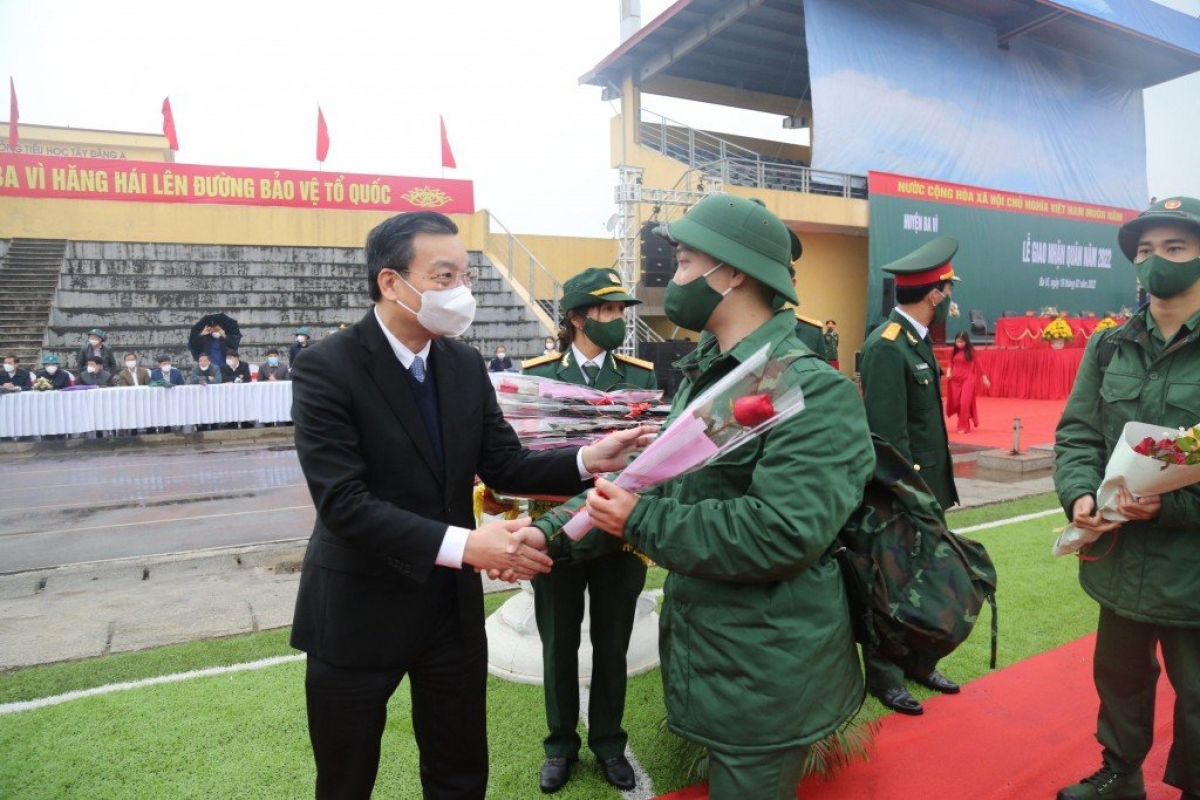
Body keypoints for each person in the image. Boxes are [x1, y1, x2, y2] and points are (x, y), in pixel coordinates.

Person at [287, 210, 650, 800]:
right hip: (358, 608)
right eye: (444, 275)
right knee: (346, 778)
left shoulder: (461, 363)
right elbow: (344, 504)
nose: (461, 291)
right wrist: (467, 546)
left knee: (459, 773)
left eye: (465, 276)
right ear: (391, 282)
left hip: (447, 614)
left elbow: (505, 463)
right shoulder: (328, 368)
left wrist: (589, 458)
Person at [526, 195, 874, 800]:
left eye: (685, 263)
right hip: (723, 654)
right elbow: (643, 481)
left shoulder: (808, 389)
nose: (676, 279)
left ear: (732, 272)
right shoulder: (714, 374)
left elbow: (781, 532)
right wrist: (546, 536)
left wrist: (640, 520)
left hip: (767, 666)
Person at [1054, 195, 1200, 800]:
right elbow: (1079, 433)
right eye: (1144, 251)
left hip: (1191, 570)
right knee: (1118, 677)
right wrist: (1078, 494)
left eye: (1174, 248)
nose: (1156, 262)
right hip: (1117, 556)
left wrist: (1173, 506)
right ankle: (1120, 775)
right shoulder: (1108, 345)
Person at [519, 266, 658, 794]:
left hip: (620, 530)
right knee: (557, 644)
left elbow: (650, 453)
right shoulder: (540, 374)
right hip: (554, 533)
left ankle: (608, 744)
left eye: (621, 311)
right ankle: (559, 746)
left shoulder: (640, 375)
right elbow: (524, 453)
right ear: (576, 317)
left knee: (612, 643)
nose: (618, 320)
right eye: (606, 311)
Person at [858, 235, 963, 716]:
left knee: (926, 577)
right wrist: (909, 497)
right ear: (935, 294)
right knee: (890, 585)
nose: (948, 300)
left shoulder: (913, 344)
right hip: (902, 494)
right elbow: (887, 439)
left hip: (926, 490)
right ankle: (885, 676)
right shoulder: (887, 348)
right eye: (947, 291)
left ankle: (921, 663)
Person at [944, 332, 990, 434]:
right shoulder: (954, 351)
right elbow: (951, 362)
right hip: (955, 379)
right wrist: (948, 371)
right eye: (958, 341)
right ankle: (964, 418)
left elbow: (979, 365)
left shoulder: (971, 352)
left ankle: (963, 426)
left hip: (967, 379)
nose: (960, 344)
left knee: (964, 402)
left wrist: (984, 377)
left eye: (962, 341)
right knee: (956, 403)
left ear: (966, 341)